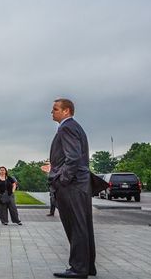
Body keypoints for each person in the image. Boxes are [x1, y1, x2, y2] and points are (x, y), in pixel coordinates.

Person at [49, 98, 96, 279]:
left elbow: (74, 157)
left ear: (66, 111)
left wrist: (63, 179)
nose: (52, 112)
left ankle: (78, 268)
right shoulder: (75, 127)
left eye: (55, 109)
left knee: (76, 226)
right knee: (82, 226)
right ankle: (87, 266)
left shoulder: (66, 127)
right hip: (80, 183)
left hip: (73, 185)